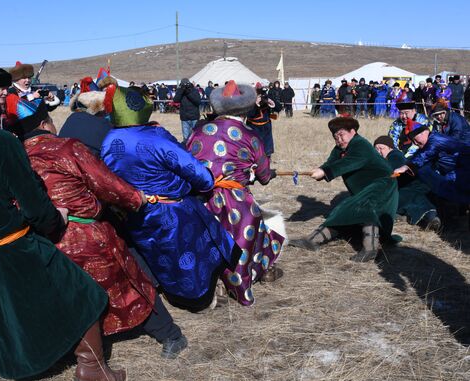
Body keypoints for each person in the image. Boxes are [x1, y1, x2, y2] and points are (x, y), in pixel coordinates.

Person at [0, 49, 125, 381]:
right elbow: (33, 204)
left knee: (5, 312)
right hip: (10, 244)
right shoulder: (0, 141)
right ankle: (94, 370)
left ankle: (22, 364)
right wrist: (55, 219)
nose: (2, 94)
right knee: (83, 292)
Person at [16, 99, 188, 359]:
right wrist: (135, 198)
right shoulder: (67, 148)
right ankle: (170, 334)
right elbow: (106, 183)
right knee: (131, 282)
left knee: (69, 295)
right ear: (44, 124)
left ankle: (85, 350)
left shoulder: (15, 158)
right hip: (90, 236)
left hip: (47, 241)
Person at [98, 81, 240, 311]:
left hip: (136, 214)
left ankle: (175, 294)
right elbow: (203, 178)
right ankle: (201, 297)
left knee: (161, 256)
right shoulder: (157, 138)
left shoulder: (107, 142)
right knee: (192, 254)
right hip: (174, 211)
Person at [186, 80, 286, 306]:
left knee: (207, 241)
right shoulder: (250, 135)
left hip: (201, 199)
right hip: (236, 201)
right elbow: (264, 176)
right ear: (246, 108)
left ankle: (214, 284)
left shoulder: (199, 131)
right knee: (245, 235)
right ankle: (243, 284)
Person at [289, 116, 399, 262]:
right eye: (336, 137)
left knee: (360, 207)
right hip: (369, 188)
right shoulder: (340, 148)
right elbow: (332, 162)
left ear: (352, 131)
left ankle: (370, 249)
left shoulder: (361, 145)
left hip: (383, 184)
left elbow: (348, 162)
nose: (339, 140)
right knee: (346, 210)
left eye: (341, 135)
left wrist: (326, 172)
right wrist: (322, 169)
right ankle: (313, 240)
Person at [374, 135, 440, 230]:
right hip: (407, 187)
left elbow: (393, 172)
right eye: (376, 149)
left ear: (390, 147)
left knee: (412, 199)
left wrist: (386, 178)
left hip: (414, 186)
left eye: (381, 148)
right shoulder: (385, 159)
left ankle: (430, 217)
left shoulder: (394, 155)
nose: (378, 151)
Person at [393, 124, 470, 206]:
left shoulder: (435, 140)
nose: (415, 143)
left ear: (424, 132)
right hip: (460, 166)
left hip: (465, 165)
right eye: (412, 140)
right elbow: (418, 155)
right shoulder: (430, 141)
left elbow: (425, 154)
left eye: (415, 138)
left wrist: (406, 167)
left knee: (447, 184)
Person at [5, 61, 60, 127]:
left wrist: (51, 99)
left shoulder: (34, 90)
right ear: (17, 79)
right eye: (24, 78)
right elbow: (15, 108)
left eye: (29, 77)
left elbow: (47, 109)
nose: (27, 80)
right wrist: (31, 97)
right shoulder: (10, 92)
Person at [247, 85, 276, 156]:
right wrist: (256, 104)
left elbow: (278, 108)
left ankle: (267, 161)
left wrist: (271, 102)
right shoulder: (250, 100)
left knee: (267, 148)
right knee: (255, 148)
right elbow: (250, 114)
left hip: (266, 126)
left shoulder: (266, 98)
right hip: (254, 127)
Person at [173, 78, 201, 142]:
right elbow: (175, 100)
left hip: (194, 117)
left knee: (195, 136)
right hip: (185, 117)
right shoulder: (180, 91)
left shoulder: (194, 90)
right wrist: (181, 90)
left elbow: (198, 102)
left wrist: (188, 93)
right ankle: (186, 150)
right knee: (186, 138)